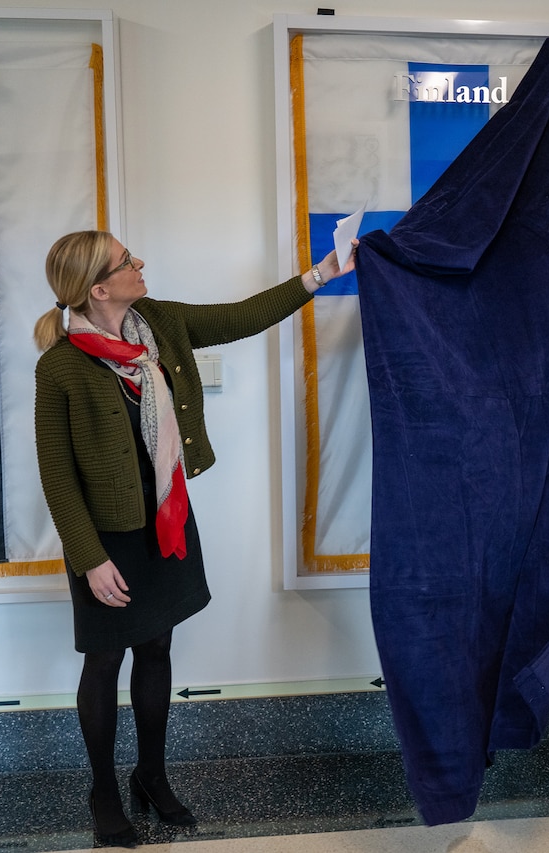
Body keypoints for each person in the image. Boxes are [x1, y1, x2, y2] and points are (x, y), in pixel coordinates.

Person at [33, 231, 356, 847]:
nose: (141, 263)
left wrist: (320, 275)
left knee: (157, 648)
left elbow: (239, 317)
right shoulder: (61, 366)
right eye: (127, 261)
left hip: (165, 518)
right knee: (104, 661)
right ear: (98, 288)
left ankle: (150, 775)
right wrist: (89, 559)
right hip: (104, 539)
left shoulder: (156, 325)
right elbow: (57, 474)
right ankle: (103, 791)